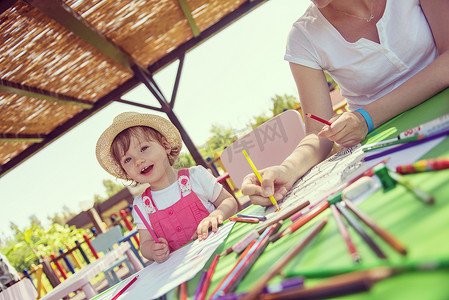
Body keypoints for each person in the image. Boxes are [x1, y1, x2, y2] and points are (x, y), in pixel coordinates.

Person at [242, 0, 449, 206]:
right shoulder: (303, 36)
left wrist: (366, 117)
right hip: (384, 152)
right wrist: (288, 169)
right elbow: (318, 132)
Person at [96, 112, 238, 263]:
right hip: (183, 269)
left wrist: (217, 214)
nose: (138, 161)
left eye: (143, 148)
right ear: (126, 171)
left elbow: (229, 201)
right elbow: (144, 244)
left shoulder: (196, 176)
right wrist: (152, 250)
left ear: (165, 146)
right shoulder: (141, 205)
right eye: (128, 159)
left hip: (223, 252)